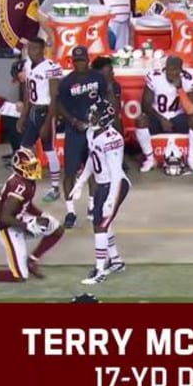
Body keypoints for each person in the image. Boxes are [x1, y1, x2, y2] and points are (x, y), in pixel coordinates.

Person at [0, 148, 65, 282]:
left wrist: (41, 214)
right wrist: (27, 225)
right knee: (19, 276)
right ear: (20, 167)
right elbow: (3, 217)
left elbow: (26, 204)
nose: (34, 169)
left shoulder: (27, 181)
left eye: (34, 166)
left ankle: (32, 260)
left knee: (57, 228)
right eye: (29, 167)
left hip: (19, 218)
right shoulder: (19, 186)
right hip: (7, 228)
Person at [68, 97, 130, 285]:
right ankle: (116, 261)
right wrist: (80, 182)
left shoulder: (112, 139)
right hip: (103, 185)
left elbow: (117, 174)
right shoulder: (91, 134)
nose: (91, 117)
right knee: (102, 223)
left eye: (95, 114)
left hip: (115, 185)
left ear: (104, 119)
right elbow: (91, 160)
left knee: (100, 226)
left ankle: (100, 270)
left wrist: (111, 199)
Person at [56, 46, 111, 228]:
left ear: (88, 60)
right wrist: (72, 121)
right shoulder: (66, 82)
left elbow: (105, 97)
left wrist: (102, 117)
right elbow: (60, 105)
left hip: (94, 131)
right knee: (70, 172)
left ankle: (91, 206)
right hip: (75, 132)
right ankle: (70, 211)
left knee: (94, 170)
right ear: (72, 62)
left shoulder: (98, 78)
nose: (80, 63)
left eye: (82, 60)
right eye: (76, 60)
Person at [135, 55, 193, 173]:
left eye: (175, 69)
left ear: (181, 70)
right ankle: (150, 159)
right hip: (157, 116)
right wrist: (161, 119)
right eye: (169, 69)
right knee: (141, 120)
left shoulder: (188, 79)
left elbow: (191, 110)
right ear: (165, 67)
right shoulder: (155, 77)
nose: (171, 72)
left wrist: (180, 88)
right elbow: (145, 105)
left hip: (178, 117)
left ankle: (191, 158)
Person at [19, 38, 63, 202]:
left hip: (46, 111)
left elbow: (54, 98)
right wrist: (23, 115)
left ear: (43, 49)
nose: (32, 52)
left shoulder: (51, 68)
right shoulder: (28, 65)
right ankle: (29, 181)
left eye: (35, 49)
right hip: (33, 110)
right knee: (25, 147)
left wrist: (47, 122)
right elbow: (27, 93)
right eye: (30, 48)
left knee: (49, 149)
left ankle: (55, 187)